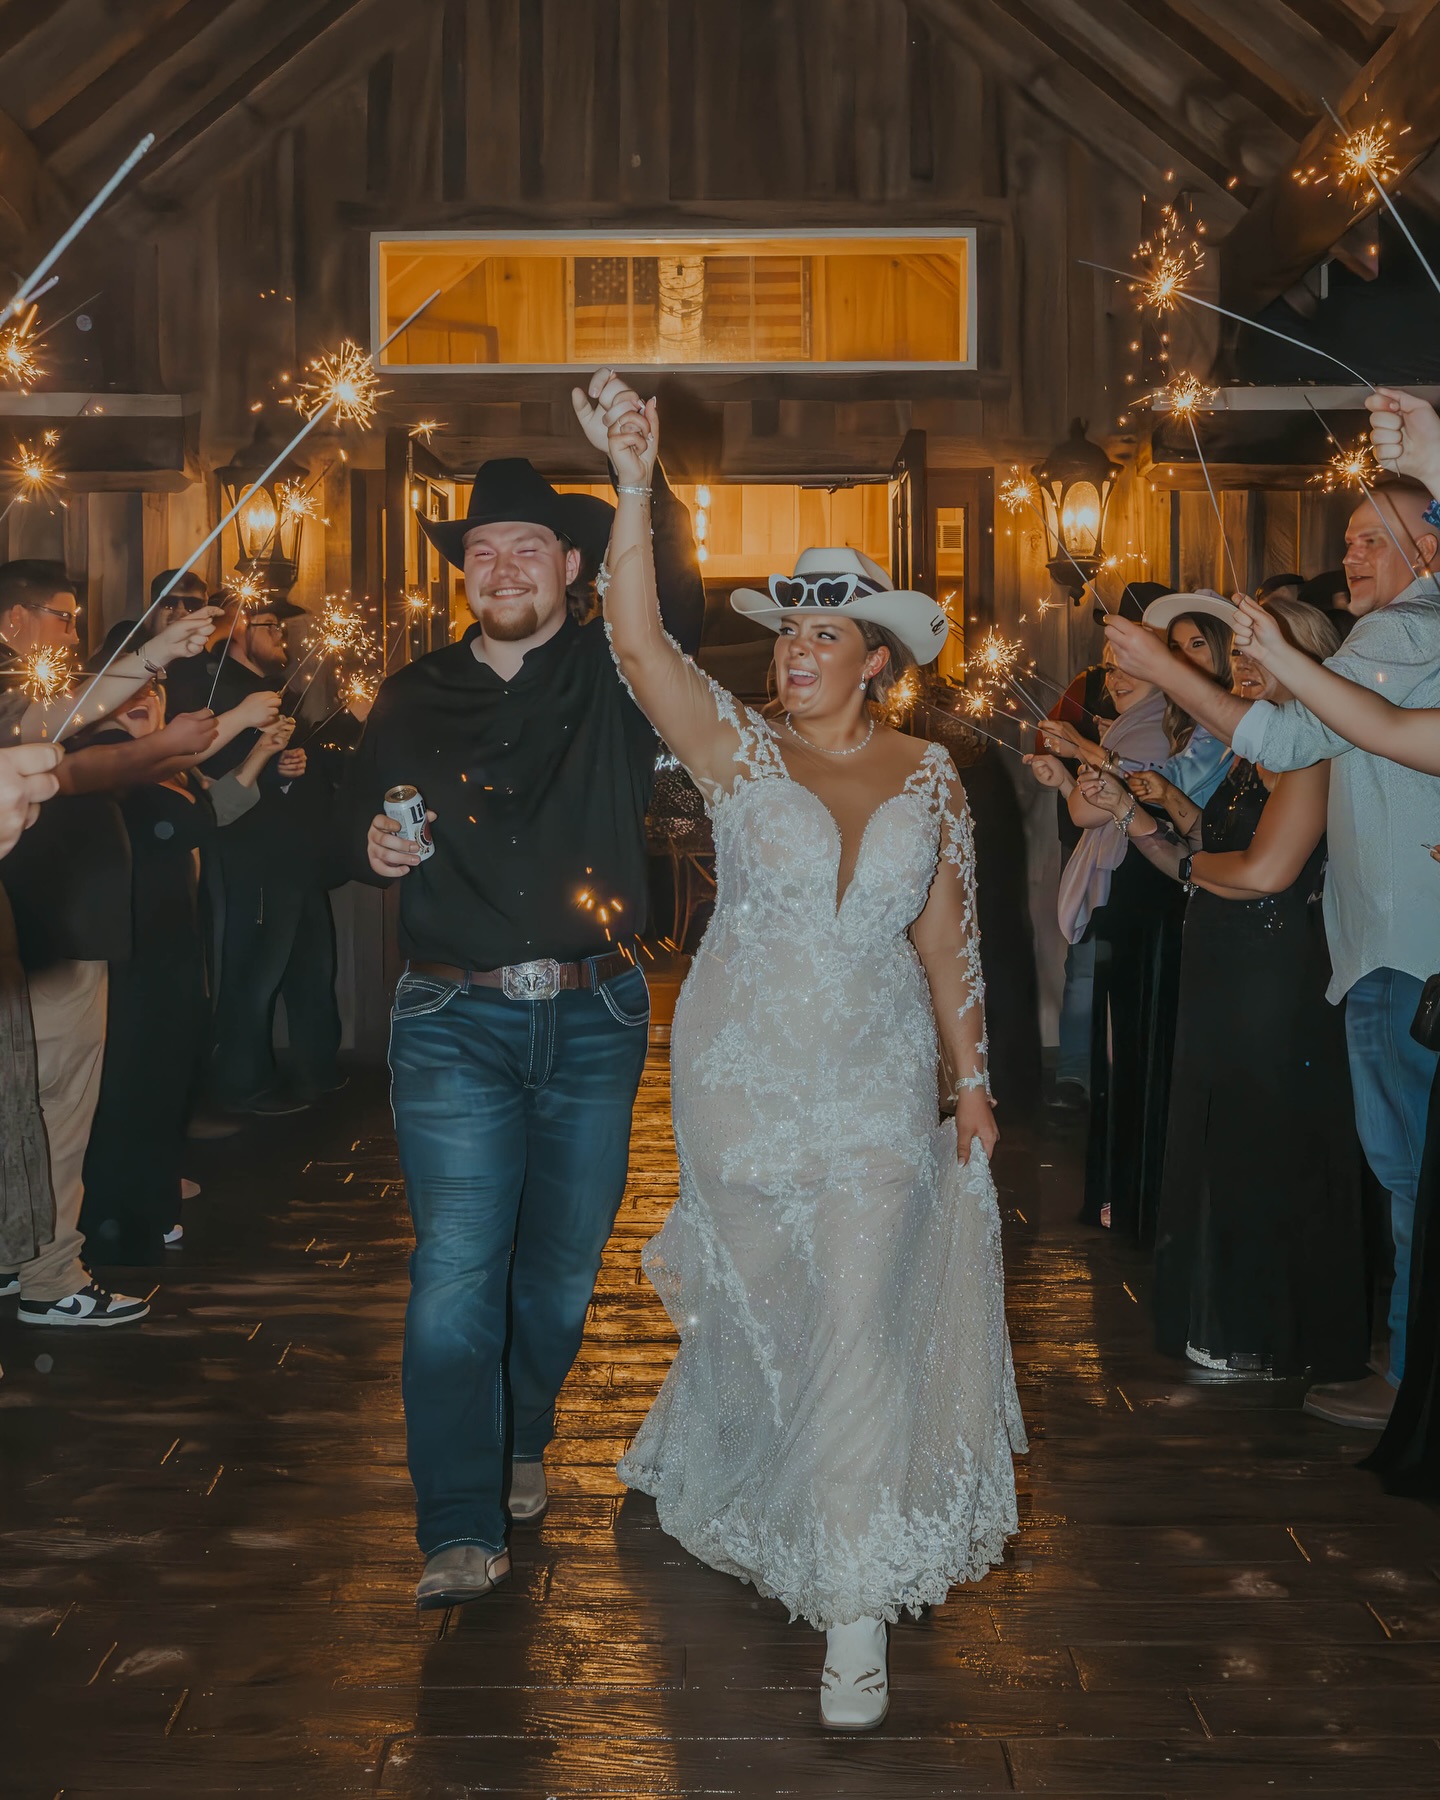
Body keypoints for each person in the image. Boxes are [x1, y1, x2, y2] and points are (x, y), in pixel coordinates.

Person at [593, 378, 1023, 1732]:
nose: (796, 650)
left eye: (824, 634)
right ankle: (721, 1443)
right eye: (788, 631)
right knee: (772, 1307)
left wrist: (971, 1078)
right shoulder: (734, 753)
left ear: (877, 661)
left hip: (881, 1080)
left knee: (856, 1321)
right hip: (743, 1079)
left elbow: (947, 944)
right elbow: (638, 643)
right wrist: (631, 489)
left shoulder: (933, 777)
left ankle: (851, 1610)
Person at [349, 387, 705, 1612]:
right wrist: (368, 847)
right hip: (452, 1019)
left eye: (526, 549)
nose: (500, 568)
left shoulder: (616, 673)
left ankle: (516, 1433)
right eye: (480, 551)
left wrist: (637, 476)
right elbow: (336, 823)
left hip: (600, 1015)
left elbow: (682, 610)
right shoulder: (408, 697)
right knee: (457, 1267)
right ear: (465, 572)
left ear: (571, 563)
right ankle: (454, 1522)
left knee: (558, 1271)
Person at [1105, 474, 1440, 1429]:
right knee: (1403, 1178)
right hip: (1373, 950)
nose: (1355, 554)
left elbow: (1288, 757)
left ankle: (1410, 1378)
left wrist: (1178, 675)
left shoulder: (1410, 631)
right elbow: (1289, 739)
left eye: (1381, 537)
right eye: (1350, 537)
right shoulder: (1397, 641)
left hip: (1402, 952)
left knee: (1410, 1179)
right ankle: (1409, 1365)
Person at [1079, 598, 1368, 1381]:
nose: (1240, 669)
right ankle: (1221, 1319)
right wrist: (1145, 814)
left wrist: (1177, 864)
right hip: (1222, 959)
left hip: (1273, 970)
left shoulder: (1310, 752)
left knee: (1263, 1137)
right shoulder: (1247, 755)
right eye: (1238, 656)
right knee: (1216, 1130)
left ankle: (1272, 1332)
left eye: (1256, 654)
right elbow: (1215, 842)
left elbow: (1267, 871)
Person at [0, 564, 219, 1325]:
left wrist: (155, 654)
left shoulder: (31, 703)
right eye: (59, 617)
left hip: (53, 936)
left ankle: (23, 1257)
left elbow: (72, 717)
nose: (70, 631)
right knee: (56, 1106)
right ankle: (50, 1276)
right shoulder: (19, 704)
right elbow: (77, 747)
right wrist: (154, 661)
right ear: (12, 624)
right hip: (50, 939)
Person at [78, 685, 291, 1263]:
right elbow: (179, 814)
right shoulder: (114, 757)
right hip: (134, 946)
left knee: (169, 1076)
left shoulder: (165, 763)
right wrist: (243, 717)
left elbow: (212, 811)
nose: (148, 700)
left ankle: (153, 1200)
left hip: (176, 941)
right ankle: (122, 1214)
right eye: (133, 693)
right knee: (134, 1082)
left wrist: (258, 752)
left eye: (158, 691)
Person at [1029, 643, 1182, 1241]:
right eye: (1111, 668)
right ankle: (1118, 1191)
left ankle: (1130, 1195)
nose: (1114, 678)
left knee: (1129, 1047)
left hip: (1143, 897)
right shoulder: (1125, 729)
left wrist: (1080, 757)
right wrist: (1070, 771)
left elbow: (1091, 811)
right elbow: (1082, 804)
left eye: (1127, 668)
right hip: (1126, 895)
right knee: (1112, 1044)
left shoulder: (1155, 729)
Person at [168, 596, 338, 1114]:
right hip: (245, 851)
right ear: (241, 624)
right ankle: (242, 1083)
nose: (282, 636)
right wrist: (263, 755)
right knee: (251, 971)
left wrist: (292, 767)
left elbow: (281, 765)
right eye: (272, 626)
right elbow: (205, 767)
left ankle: (317, 1072)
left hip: (293, 851)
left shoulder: (274, 691)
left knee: (311, 965)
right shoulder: (208, 685)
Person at [95, 567, 212, 664]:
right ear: (153, 607)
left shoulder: (208, 662)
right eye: (169, 603)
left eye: (192, 605)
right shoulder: (126, 637)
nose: (180, 611)